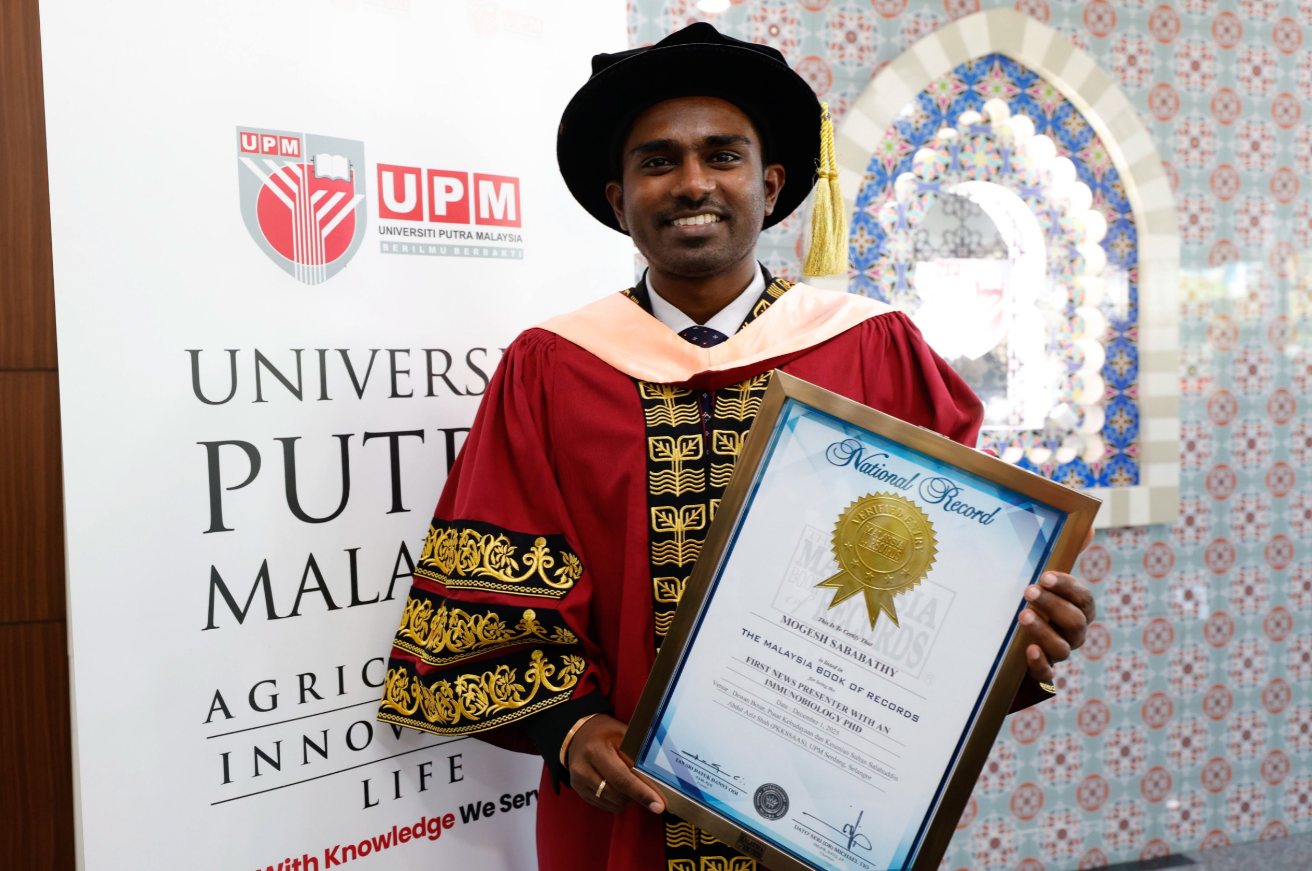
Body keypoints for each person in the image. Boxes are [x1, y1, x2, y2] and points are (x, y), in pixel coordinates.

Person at [377, 22, 1096, 871]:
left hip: (831, 811)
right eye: (657, 161)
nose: (693, 183)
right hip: (629, 809)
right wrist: (569, 728)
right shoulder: (551, 368)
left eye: (723, 155)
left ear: (771, 183)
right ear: (618, 199)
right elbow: (492, 590)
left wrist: (1021, 620)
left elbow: (960, 572)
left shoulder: (873, 348)